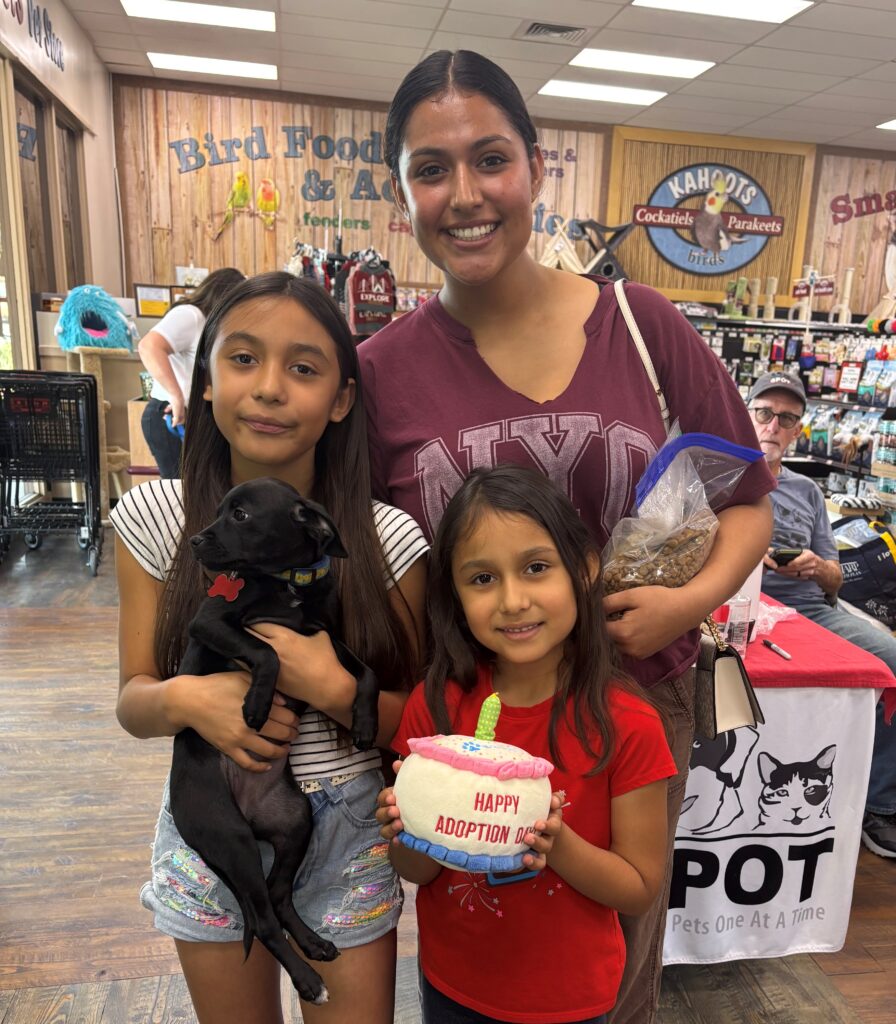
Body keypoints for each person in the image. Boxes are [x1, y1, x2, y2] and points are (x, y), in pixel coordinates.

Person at [358, 49, 776, 1023]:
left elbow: (747, 501)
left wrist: (683, 602)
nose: (466, 194)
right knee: (485, 943)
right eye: (431, 169)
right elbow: (374, 562)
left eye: (490, 159)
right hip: (474, 714)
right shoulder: (379, 373)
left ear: (537, 169)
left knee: (617, 964)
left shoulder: (642, 324)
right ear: (401, 193)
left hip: (635, 703)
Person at [111, 272, 429, 1024]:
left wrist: (334, 688)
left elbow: (418, 723)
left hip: (349, 832)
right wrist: (190, 700)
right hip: (207, 817)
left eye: (304, 367)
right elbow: (132, 701)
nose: (269, 388)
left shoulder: (386, 540)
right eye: (244, 358)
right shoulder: (154, 518)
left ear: (342, 399)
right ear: (206, 379)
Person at [376, 466, 677, 1023]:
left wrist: (555, 843)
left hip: (570, 998)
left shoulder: (629, 724)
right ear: (454, 595)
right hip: (452, 983)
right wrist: (407, 825)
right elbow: (415, 870)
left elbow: (639, 888)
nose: (513, 600)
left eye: (536, 568)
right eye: (482, 578)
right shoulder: (435, 706)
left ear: (584, 568)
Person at [748, 370, 896, 858]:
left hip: (808, 609)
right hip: (736, 606)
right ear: (746, 416)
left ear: (797, 431)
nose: (773, 425)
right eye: (764, 412)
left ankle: (879, 804)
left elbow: (836, 580)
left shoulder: (808, 492)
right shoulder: (719, 478)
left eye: (787, 418)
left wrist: (816, 567)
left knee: (891, 660)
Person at [137, 267, 244, 478]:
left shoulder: (210, 326)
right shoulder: (191, 315)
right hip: (169, 415)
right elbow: (149, 346)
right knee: (180, 487)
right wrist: (176, 396)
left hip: (190, 417)